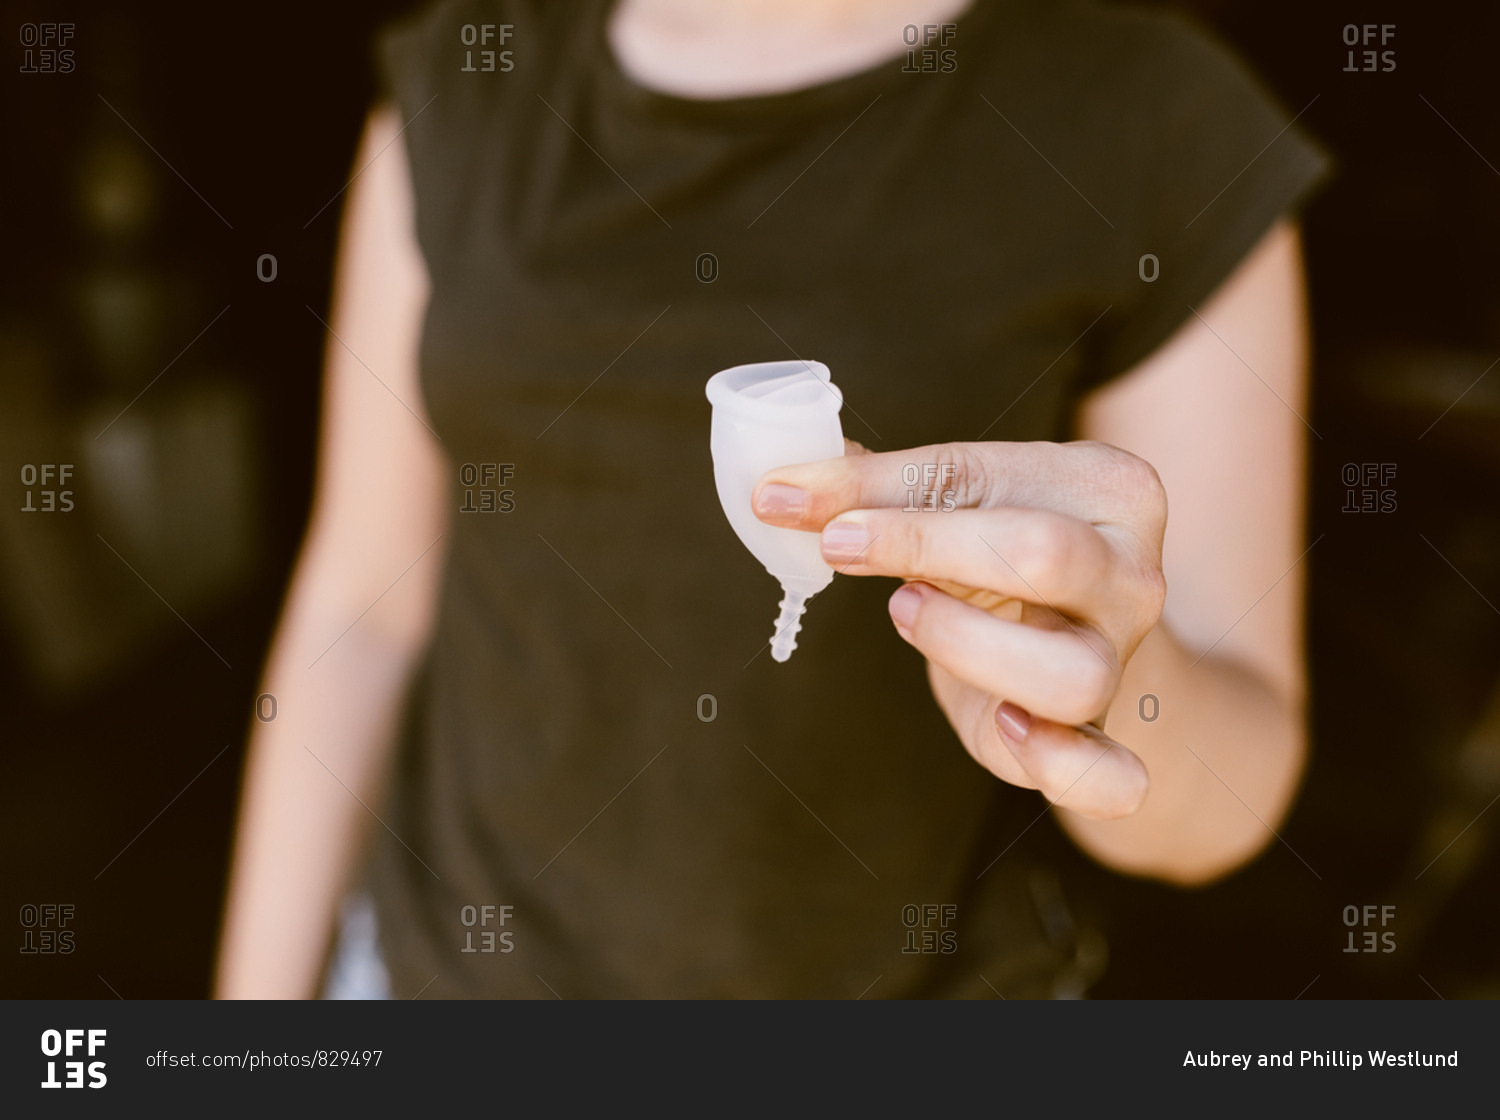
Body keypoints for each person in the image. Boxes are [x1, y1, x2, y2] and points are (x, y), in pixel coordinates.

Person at [216, 0, 1328, 998]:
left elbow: (1228, 799)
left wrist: (1113, 683)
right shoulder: (465, 82)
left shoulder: (1152, 116)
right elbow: (361, 610)